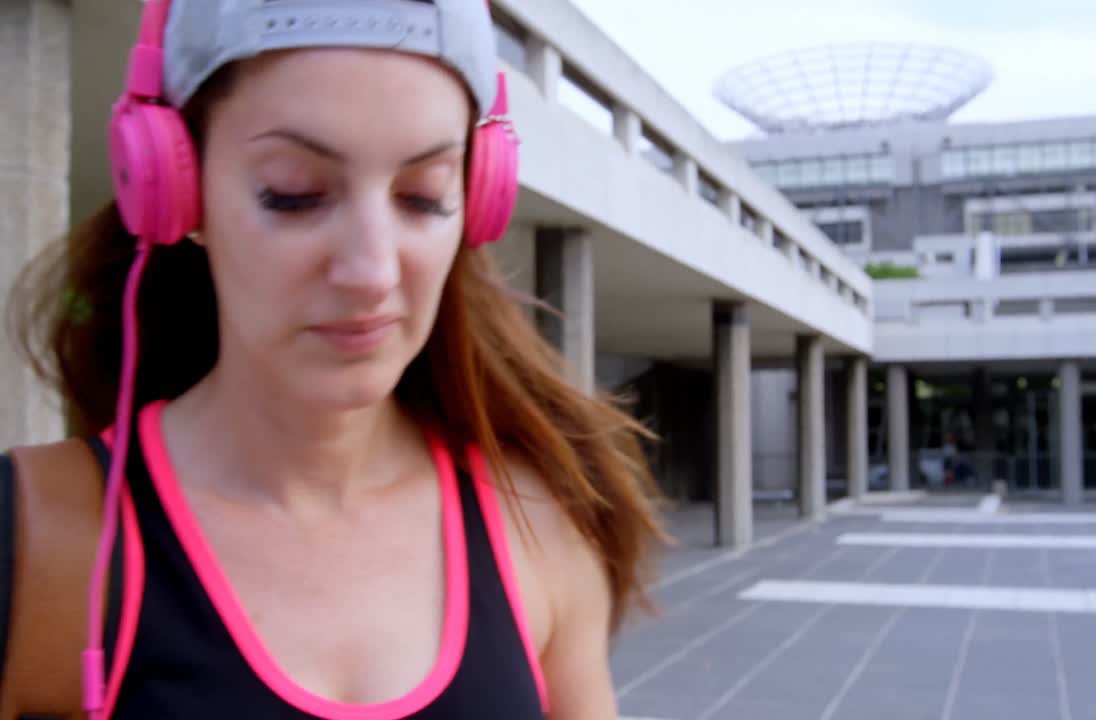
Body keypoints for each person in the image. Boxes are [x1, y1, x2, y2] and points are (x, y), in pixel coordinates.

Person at [2, 1, 666, 718]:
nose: (372, 270)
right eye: (294, 195)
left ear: (476, 201)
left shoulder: (541, 524)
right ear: (175, 190)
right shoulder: (42, 545)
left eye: (423, 196)